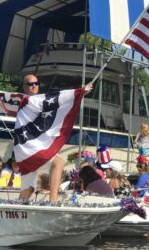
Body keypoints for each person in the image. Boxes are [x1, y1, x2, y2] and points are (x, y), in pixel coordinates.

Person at [18, 74, 93, 202]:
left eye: (36, 83)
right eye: (30, 84)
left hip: (28, 149)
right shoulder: (27, 100)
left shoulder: (39, 101)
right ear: (24, 87)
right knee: (59, 163)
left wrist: (80, 94)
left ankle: (15, 215)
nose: (34, 86)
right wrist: (79, 92)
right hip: (29, 148)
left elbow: (57, 104)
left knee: (28, 189)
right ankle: (52, 202)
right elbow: (59, 100)